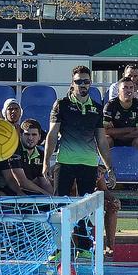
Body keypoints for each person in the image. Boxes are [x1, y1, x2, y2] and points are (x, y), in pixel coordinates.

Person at [43, 66, 115, 197]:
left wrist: (109, 168)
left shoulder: (97, 108)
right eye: (78, 81)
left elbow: (102, 140)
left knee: (86, 208)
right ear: (72, 83)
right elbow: (52, 134)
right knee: (59, 206)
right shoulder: (61, 104)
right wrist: (46, 162)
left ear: (90, 83)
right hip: (65, 162)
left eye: (86, 82)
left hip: (89, 163)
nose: (83, 85)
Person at [103, 76, 138, 157]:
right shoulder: (110, 105)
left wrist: (116, 133)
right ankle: (103, 167)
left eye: (131, 87)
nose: (128, 90)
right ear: (118, 91)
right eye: (125, 88)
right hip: (115, 140)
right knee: (106, 140)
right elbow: (104, 131)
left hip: (133, 139)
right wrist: (129, 129)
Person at [17, 118, 54, 195]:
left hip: (32, 195)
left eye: (34, 134)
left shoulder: (41, 154)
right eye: (27, 134)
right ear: (21, 135)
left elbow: (44, 182)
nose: (30, 138)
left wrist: (54, 199)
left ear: (39, 136)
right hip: (12, 196)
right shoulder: (14, 152)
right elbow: (21, 182)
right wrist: (46, 194)